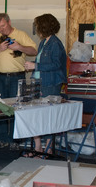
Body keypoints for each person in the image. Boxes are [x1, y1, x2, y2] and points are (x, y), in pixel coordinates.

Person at [0, 13, 38, 149]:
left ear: (9, 22)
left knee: (17, 108)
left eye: (3, 26)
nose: (1, 30)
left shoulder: (21, 35)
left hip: (17, 77)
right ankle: (2, 138)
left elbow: (34, 50)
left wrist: (19, 47)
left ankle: (16, 140)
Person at [24, 13, 67, 153]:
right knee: (36, 114)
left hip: (50, 84)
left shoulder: (55, 43)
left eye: (37, 26)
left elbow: (56, 64)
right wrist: (32, 66)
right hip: (39, 82)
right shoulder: (43, 42)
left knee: (48, 116)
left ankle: (48, 149)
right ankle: (38, 146)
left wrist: (35, 66)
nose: (36, 29)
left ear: (43, 27)